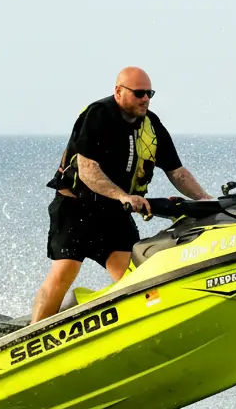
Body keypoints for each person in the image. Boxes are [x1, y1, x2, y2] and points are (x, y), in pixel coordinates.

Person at [31, 66, 212, 322]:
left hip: (112, 214)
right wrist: (123, 196)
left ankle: (144, 326)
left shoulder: (151, 126)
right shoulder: (99, 115)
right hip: (76, 210)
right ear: (119, 91)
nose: (145, 99)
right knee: (64, 272)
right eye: (139, 93)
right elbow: (87, 169)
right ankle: (32, 334)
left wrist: (207, 200)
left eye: (149, 93)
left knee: (135, 279)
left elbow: (177, 172)